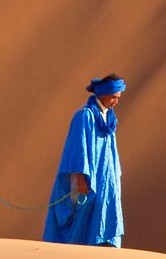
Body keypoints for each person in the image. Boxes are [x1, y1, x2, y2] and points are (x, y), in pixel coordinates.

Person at [42, 74, 124, 247]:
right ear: (104, 93)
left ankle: (101, 244)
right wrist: (80, 177)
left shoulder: (109, 119)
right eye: (114, 97)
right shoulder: (84, 116)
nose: (116, 101)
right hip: (86, 178)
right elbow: (76, 148)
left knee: (104, 208)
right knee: (81, 213)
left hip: (105, 178)